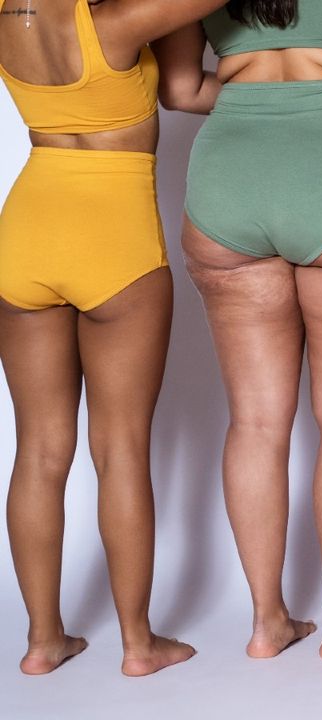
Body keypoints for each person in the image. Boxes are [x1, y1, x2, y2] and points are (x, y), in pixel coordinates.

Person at [154, 0, 322, 661]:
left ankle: (267, 622)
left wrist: (254, 96)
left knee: (255, 421)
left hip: (229, 172)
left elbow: (179, 89)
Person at [0, 0, 230, 676]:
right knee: (122, 450)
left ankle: (43, 642)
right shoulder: (115, 23)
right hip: (113, 239)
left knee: (38, 448)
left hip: (25, 231)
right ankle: (138, 643)